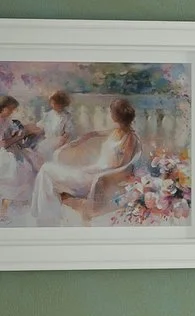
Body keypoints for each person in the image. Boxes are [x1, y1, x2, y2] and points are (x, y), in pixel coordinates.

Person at [32, 95, 142, 225]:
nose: (110, 114)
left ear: (116, 115)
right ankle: (48, 216)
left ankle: (47, 217)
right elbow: (95, 133)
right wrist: (81, 140)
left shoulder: (130, 138)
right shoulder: (116, 131)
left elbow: (122, 166)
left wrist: (96, 172)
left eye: (111, 111)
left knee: (47, 171)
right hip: (90, 172)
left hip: (96, 178)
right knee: (46, 171)